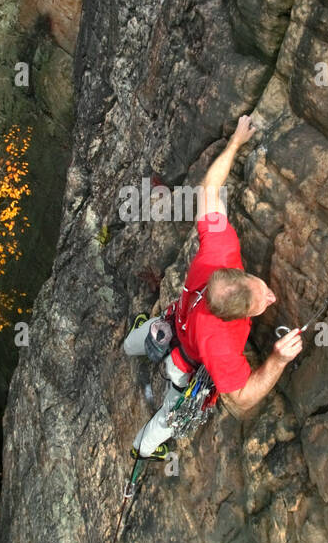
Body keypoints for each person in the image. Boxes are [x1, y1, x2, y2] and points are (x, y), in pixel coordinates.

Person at [124, 113, 303, 459]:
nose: (271, 296)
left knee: (149, 333)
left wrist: (236, 140)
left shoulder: (219, 253)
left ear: (238, 273)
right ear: (233, 317)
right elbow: (244, 396)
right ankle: (142, 449)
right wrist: (278, 359)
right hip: (185, 359)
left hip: (175, 322)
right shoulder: (218, 343)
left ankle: (133, 345)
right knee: (172, 416)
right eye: (261, 303)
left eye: (261, 289)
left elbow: (208, 190)